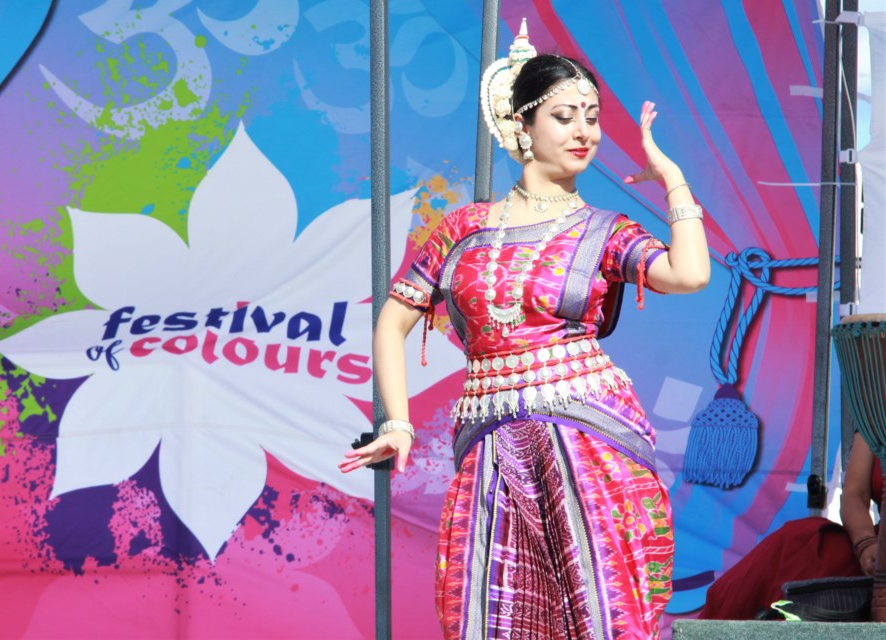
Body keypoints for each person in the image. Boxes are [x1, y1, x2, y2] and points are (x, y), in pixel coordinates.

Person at [339, 19, 709, 639]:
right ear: (522, 124)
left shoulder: (605, 230)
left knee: (600, 608)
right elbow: (393, 320)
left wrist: (671, 178)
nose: (585, 131)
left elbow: (689, 274)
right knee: (491, 612)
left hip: (587, 433)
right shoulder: (464, 229)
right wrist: (396, 423)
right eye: (565, 116)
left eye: (592, 116)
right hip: (489, 437)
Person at [699, 431, 882, 620]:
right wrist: (865, 544)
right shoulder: (874, 412)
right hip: (877, 547)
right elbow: (855, 494)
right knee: (797, 541)